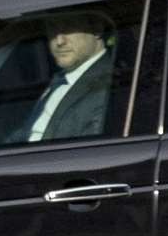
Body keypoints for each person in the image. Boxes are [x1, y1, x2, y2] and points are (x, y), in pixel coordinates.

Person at [23, 10, 113, 141]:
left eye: (68, 28)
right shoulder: (60, 79)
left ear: (96, 30)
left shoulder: (108, 85)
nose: (59, 41)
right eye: (52, 29)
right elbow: (26, 133)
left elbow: (89, 153)